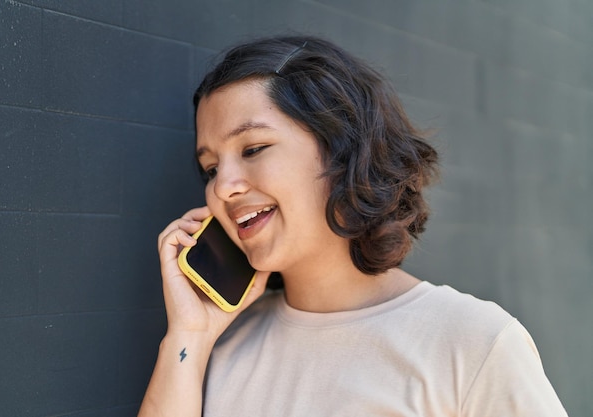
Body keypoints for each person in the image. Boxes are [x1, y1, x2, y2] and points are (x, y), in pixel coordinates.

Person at [138, 35, 568, 416]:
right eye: (210, 168)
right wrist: (190, 337)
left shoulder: (473, 342)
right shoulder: (217, 347)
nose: (224, 188)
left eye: (253, 148)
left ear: (343, 152)